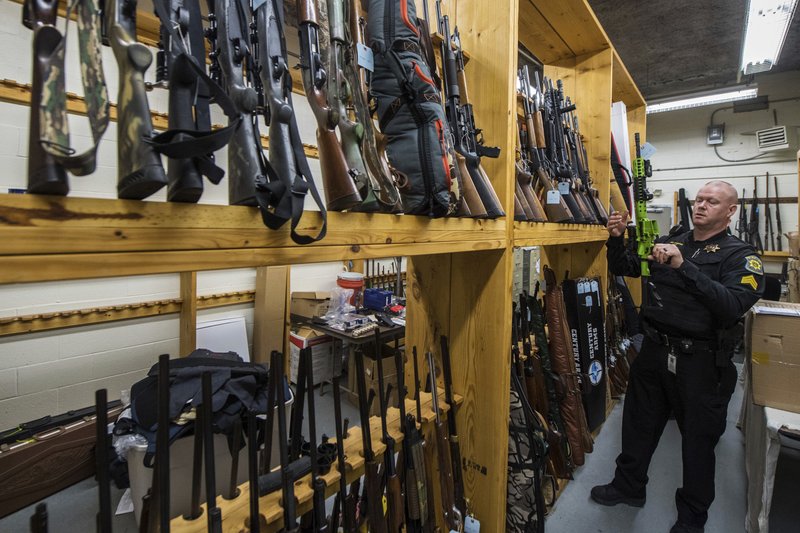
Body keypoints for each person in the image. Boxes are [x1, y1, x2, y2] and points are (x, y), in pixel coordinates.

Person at [590, 181, 764, 533]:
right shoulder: (676, 239)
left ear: (730, 211)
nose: (700, 205)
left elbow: (731, 306)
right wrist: (616, 237)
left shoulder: (741, 256)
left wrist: (685, 267)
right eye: (699, 199)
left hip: (700, 363)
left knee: (698, 444)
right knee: (638, 425)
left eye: (711, 202)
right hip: (654, 350)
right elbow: (627, 266)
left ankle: (691, 517)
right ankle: (628, 486)